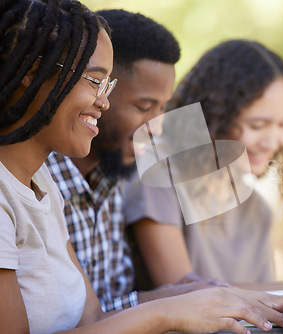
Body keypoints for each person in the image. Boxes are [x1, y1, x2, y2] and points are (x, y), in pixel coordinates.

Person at [0, 1, 283, 333]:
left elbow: (93, 318)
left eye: (107, 87)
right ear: (32, 74)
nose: (103, 100)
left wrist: (198, 297)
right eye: (95, 82)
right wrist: (168, 310)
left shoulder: (43, 185)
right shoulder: (141, 179)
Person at [122, 39, 283, 299]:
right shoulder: (158, 186)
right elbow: (183, 297)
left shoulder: (257, 210)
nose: (273, 141)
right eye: (257, 125)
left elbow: (265, 312)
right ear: (214, 118)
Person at [45, 9, 220, 312]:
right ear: (99, 91)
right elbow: (72, 319)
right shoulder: (37, 181)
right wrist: (173, 301)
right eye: (144, 106)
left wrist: (188, 294)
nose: (157, 127)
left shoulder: (113, 174)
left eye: (163, 108)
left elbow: (105, 307)